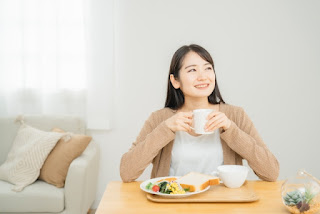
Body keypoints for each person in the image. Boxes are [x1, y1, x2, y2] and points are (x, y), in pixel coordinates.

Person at [120, 44, 279, 182]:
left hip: (223, 206)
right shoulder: (160, 119)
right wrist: (165, 130)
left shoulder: (235, 115)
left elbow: (271, 172)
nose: (203, 77)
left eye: (208, 68)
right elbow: (127, 173)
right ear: (175, 81)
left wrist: (231, 130)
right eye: (192, 70)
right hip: (174, 206)